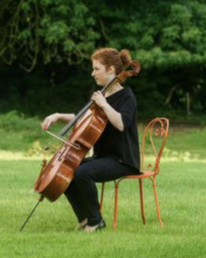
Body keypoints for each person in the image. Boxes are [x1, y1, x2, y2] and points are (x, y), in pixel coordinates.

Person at [40, 48, 141, 232]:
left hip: (122, 159)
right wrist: (57, 116)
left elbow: (121, 124)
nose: (92, 73)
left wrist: (103, 104)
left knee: (83, 173)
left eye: (96, 69)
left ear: (111, 70)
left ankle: (96, 221)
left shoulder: (127, 96)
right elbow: (82, 117)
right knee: (67, 169)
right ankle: (85, 218)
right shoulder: (101, 95)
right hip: (102, 157)